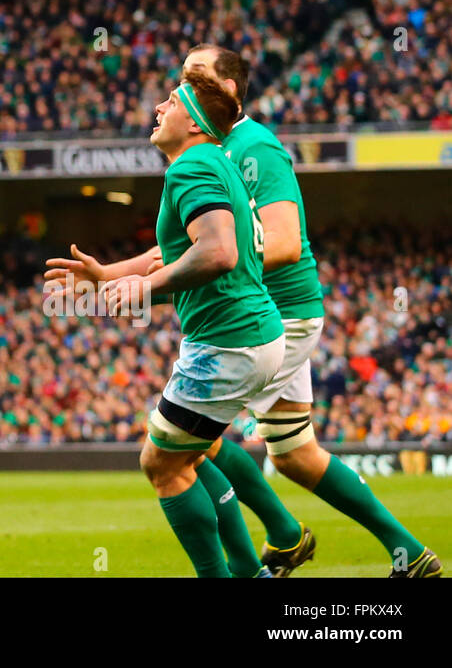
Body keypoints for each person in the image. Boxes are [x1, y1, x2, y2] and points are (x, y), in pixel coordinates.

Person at [183, 45, 441, 579]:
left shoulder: (253, 148)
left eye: (195, 73)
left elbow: (284, 244)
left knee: (187, 440)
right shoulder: (217, 151)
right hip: (275, 314)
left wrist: (216, 262)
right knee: (296, 453)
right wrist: (122, 275)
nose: (182, 82)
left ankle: (281, 537)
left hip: (278, 316)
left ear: (228, 90)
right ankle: (410, 554)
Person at [50, 68, 283, 578]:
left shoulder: (191, 168)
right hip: (250, 336)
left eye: (172, 102)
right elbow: (176, 250)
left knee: (161, 464)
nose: (159, 108)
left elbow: (217, 252)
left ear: (196, 123)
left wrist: (145, 287)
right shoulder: (211, 163)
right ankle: (250, 571)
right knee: (190, 456)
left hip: (227, 343)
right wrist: (109, 275)